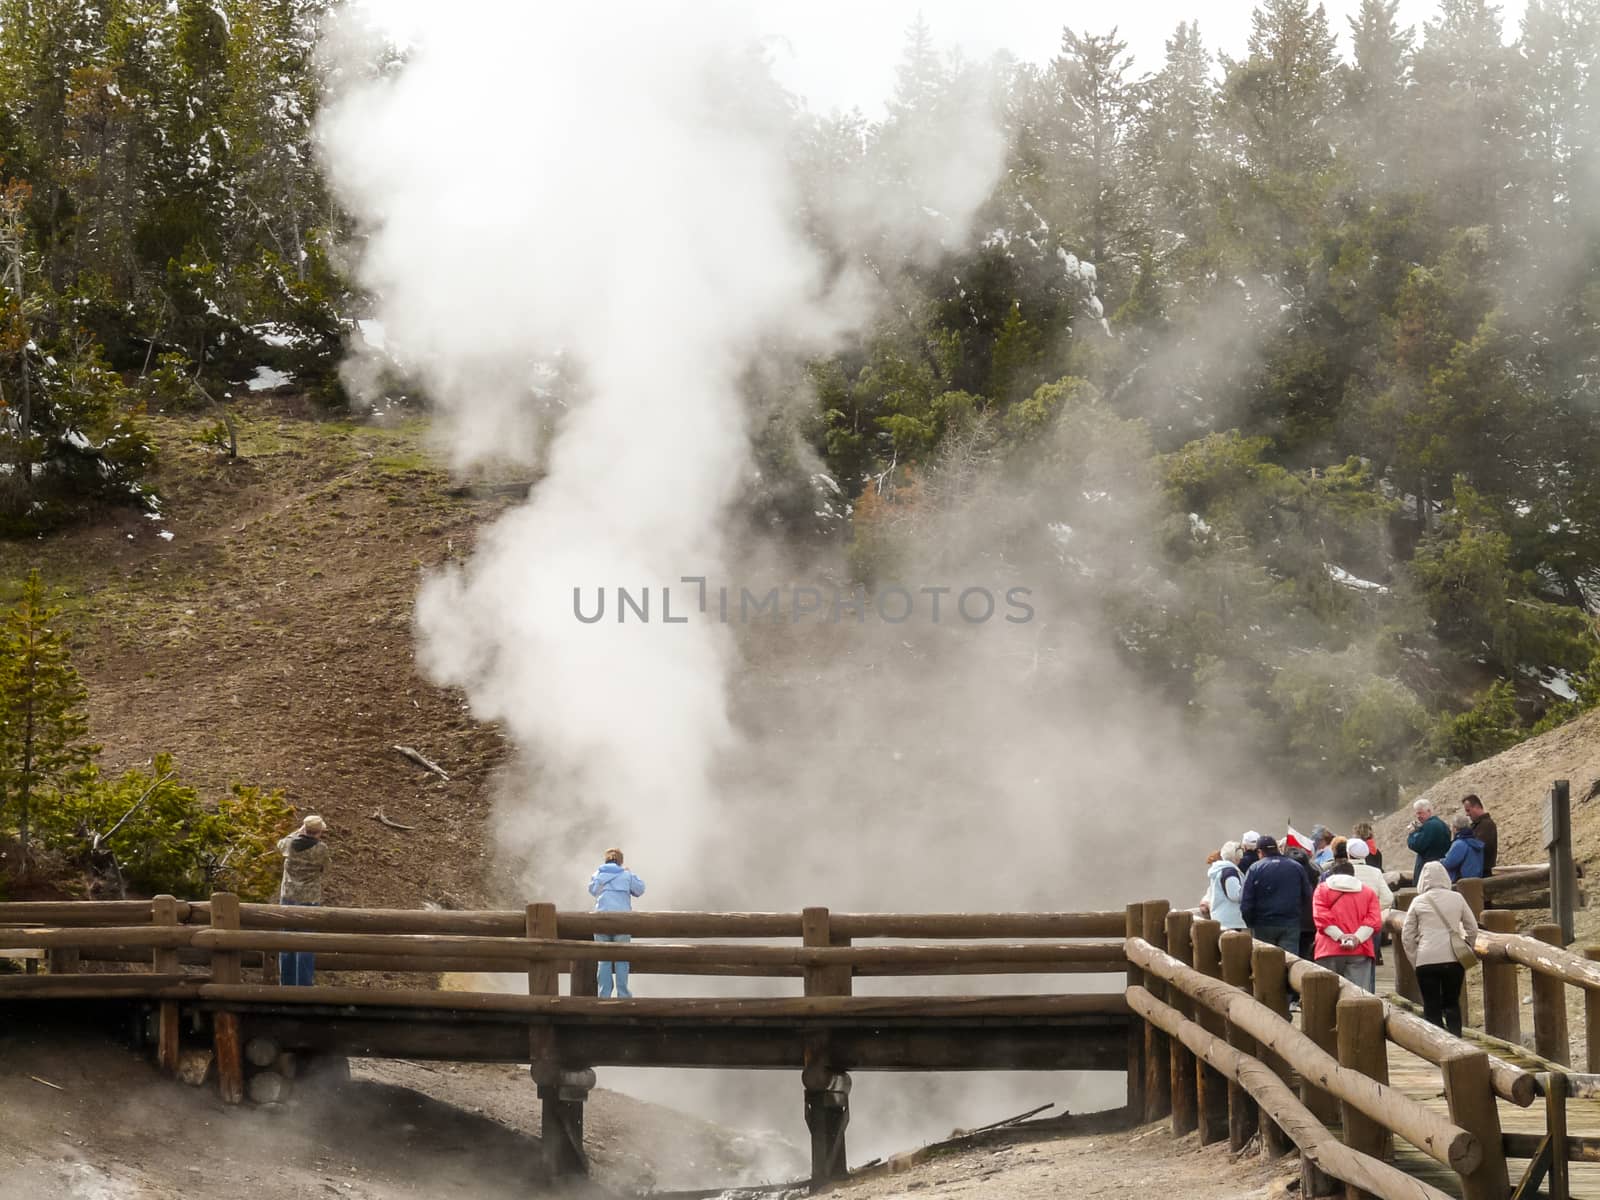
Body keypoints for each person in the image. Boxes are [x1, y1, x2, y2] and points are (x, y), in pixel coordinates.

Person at [1401, 861, 1480, 1035]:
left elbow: (1407, 935)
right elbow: (1472, 927)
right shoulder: (1457, 898)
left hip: (1426, 958)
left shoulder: (1418, 901)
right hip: (1453, 958)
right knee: (1452, 1002)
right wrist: (1468, 947)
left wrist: (1415, 959)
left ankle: (1437, 1045)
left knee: (1431, 1005)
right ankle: (1456, 1040)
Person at [276, 815, 329, 987]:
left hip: (288, 897)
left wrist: (296, 832)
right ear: (319, 832)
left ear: (303, 829)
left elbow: (280, 844)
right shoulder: (321, 849)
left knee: (287, 940)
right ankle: (304, 985)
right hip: (309, 899)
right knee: (306, 942)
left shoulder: (290, 845)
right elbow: (327, 866)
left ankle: (286, 984)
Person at [1312, 861, 1381, 991]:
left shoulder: (1321, 890)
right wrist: (1357, 938)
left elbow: (1321, 917)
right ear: (1353, 875)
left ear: (1331, 874)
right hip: (1360, 950)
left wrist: (1340, 936)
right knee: (1357, 993)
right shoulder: (1368, 892)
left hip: (1328, 949)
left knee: (1327, 992)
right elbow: (1374, 920)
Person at [1239, 836, 1311, 956]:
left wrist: (1250, 922)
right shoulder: (1297, 867)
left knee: (1265, 961)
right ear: (1277, 848)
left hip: (1263, 924)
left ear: (1259, 851)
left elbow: (1245, 900)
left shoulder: (1255, 868)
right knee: (1289, 962)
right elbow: (1307, 895)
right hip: (1290, 923)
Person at [589, 848, 646, 999]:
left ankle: (604, 995)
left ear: (605, 860)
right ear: (620, 861)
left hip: (600, 920)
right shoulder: (626, 874)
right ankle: (623, 994)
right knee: (622, 958)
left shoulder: (598, 874)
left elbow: (592, 891)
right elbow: (640, 890)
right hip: (623, 921)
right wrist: (629, 872)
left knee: (603, 960)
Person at [1284, 843, 1321, 961]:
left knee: (1291, 958)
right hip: (1311, 921)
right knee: (1308, 956)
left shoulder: (1287, 873)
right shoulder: (1316, 872)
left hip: (1291, 921)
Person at [1406, 799, 1451, 885]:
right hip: (1440, 869)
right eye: (1417, 813)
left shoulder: (1430, 825)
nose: (1418, 816)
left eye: (1420, 813)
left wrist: (1412, 834)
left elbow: (1417, 845)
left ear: (1429, 811)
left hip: (1427, 871)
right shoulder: (1442, 824)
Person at [1205, 841, 1247, 931]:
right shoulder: (1230, 872)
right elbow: (1235, 895)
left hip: (1221, 917)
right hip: (1230, 920)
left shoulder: (1220, 870)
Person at [1441, 812, 1486, 882]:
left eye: (1452, 827)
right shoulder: (1474, 841)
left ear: (1455, 829)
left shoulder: (1460, 844)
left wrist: (1440, 861)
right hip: (1476, 880)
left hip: (1462, 882)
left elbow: (1449, 863)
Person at [1463, 795, 1498, 876]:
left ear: (1477, 807)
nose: (1467, 814)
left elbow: (1480, 846)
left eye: (1468, 810)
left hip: (1483, 872)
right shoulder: (1477, 825)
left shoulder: (1487, 825)